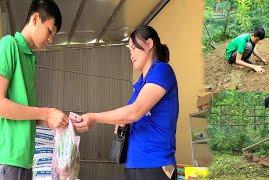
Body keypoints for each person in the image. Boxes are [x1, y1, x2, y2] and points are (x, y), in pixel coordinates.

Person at [73, 25, 179, 180]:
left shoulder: (162, 70)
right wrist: (122, 122)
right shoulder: (140, 85)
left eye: (134, 48)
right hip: (133, 164)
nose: (131, 55)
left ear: (149, 44)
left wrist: (94, 117)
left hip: (155, 165)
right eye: (130, 51)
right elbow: (131, 114)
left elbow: (134, 112)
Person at [0, 0, 68, 179]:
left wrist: (53, 120)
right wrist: (45, 113)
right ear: (36, 18)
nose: (51, 39)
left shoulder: (30, 59)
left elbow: (25, 112)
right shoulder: (9, 45)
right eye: (50, 31)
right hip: (8, 158)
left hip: (25, 160)